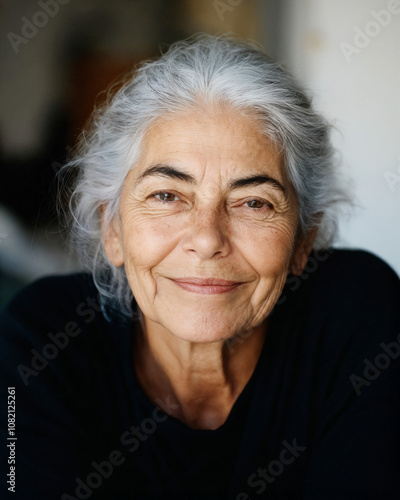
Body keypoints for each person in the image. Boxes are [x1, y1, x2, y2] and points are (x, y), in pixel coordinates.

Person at [1, 35, 399, 500]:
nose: (207, 239)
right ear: (112, 229)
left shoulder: (359, 316)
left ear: (303, 240)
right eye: (167, 196)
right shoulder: (40, 341)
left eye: (254, 202)